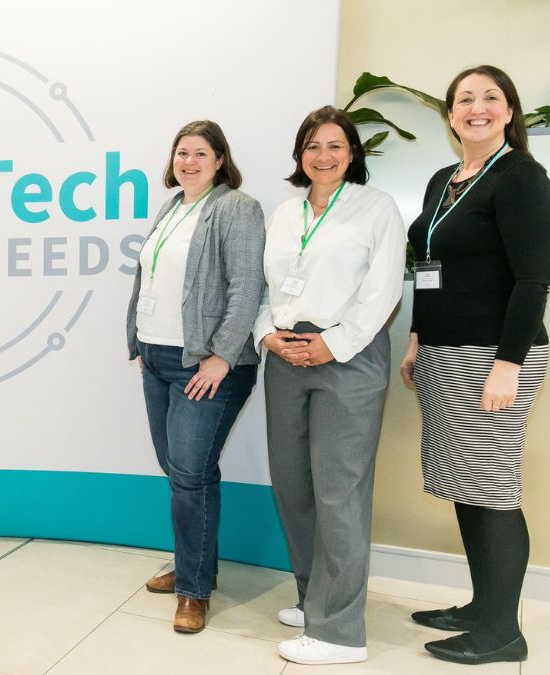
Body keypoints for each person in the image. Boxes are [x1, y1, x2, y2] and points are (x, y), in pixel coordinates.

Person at [400, 65, 550, 666]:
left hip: (493, 356)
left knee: (491, 487)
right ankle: (482, 606)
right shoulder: (445, 179)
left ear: (510, 112)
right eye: (465, 99)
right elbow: (429, 267)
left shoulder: (520, 178)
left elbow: (533, 279)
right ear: (450, 114)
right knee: (469, 484)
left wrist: (508, 363)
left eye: (491, 98)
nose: (477, 107)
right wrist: (417, 335)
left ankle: (502, 631)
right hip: (442, 350)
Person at [254, 106, 405, 664]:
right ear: (300, 155)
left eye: (335, 146)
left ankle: (339, 632)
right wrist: (267, 335)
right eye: (313, 146)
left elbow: (384, 290)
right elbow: (264, 286)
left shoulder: (376, 208)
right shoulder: (285, 212)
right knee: (293, 484)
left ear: (352, 153)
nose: (323, 156)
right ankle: (312, 597)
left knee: (339, 491)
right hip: (285, 354)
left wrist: (333, 344)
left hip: (349, 356)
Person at [126, 120, 265, 633]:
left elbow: (246, 287)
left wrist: (222, 357)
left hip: (207, 365)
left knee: (189, 472)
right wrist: (141, 341)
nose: (188, 161)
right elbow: (152, 279)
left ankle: (193, 590)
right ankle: (193, 566)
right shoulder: (172, 208)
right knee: (178, 468)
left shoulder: (236, 207)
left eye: (200, 153)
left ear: (220, 160)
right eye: (181, 152)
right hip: (158, 358)